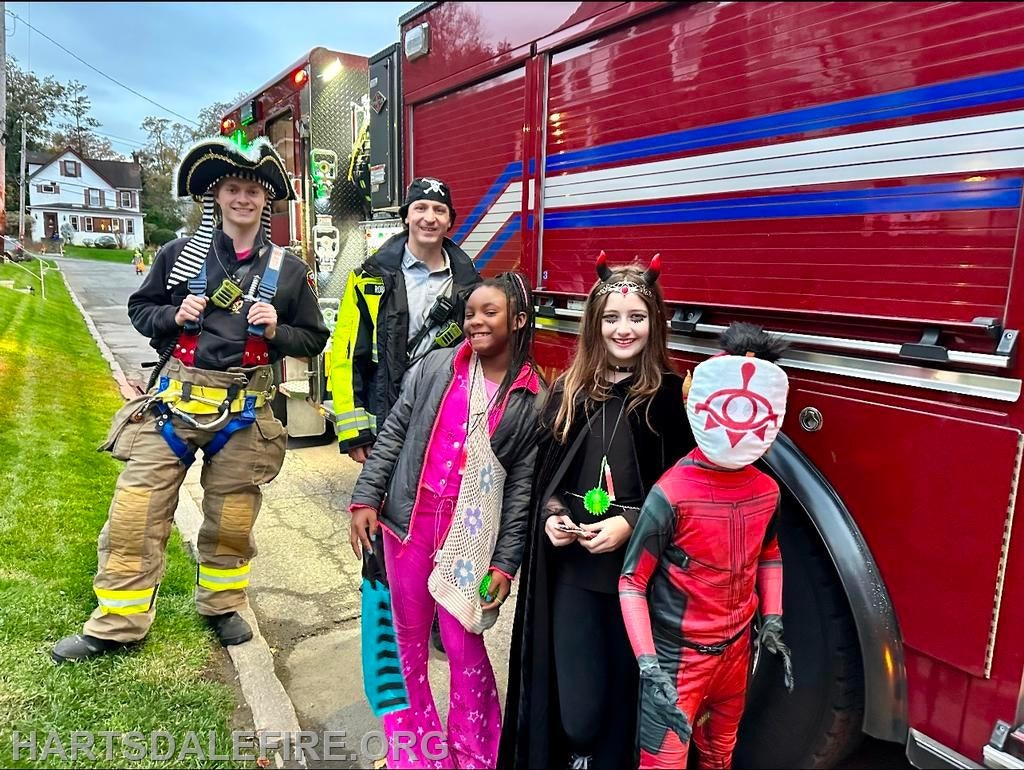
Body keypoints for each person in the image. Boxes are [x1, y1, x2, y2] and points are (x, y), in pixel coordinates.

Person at [51, 136, 329, 663]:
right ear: (216, 195)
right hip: (173, 404)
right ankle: (116, 624)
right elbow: (142, 310)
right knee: (136, 508)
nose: (243, 198)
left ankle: (221, 606)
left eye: (253, 189)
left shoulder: (288, 270)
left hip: (245, 413)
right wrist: (173, 318)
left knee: (233, 519)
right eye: (232, 188)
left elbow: (313, 339)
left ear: (266, 200)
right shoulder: (180, 253)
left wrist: (277, 332)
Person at [500, 253, 696, 770]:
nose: (623, 329)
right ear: (594, 324)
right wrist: (550, 517)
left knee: (629, 706)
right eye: (611, 318)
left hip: (642, 584)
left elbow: (686, 497)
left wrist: (632, 521)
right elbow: (546, 478)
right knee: (578, 714)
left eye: (636, 318)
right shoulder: (568, 393)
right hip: (575, 578)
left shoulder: (671, 402)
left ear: (654, 324)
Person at [349, 273, 543, 769]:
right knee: (406, 643)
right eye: (470, 312)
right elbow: (394, 432)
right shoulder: (437, 366)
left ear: (518, 321)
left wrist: (505, 563)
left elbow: (521, 490)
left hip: (471, 540)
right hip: (410, 526)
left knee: (464, 645)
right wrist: (366, 498)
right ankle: (413, 755)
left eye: (489, 312)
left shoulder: (532, 396)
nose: (475, 321)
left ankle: (476, 754)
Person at [618, 322, 796, 768]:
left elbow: (769, 554)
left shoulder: (766, 491)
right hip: (677, 662)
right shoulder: (671, 493)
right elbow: (631, 582)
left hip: (736, 653)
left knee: (721, 755)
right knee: (662, 763)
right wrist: (649, 664)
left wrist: (771, 620)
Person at [332, 176, 480, 655]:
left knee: (447, 517)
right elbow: (346, 352)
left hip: (446, 419)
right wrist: (355, 427)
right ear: (407, 217)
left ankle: (438, 614)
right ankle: (386, 621)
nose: (429, 218)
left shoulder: (469, 281)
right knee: (385, 518)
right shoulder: (370, 275)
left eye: (439, 210)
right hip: (388, 413)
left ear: (451, 221)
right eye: (420, 208)